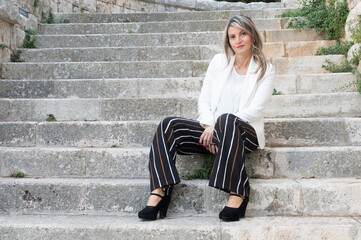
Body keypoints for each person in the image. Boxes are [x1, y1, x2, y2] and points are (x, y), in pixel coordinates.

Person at [138, 15, 275, 221]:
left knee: (228, 119)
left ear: (252, 35)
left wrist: (218, 129)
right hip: (211, 130)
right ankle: (160, 189)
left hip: (245, 133)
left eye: (243, 34)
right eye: (232, 36)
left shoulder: (265, 69)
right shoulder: (219, 62)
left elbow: (254, 110)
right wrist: (208, 126)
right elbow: (204, 100)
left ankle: (238, 191)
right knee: (168, 125)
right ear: (228, 40)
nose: (238, 40)